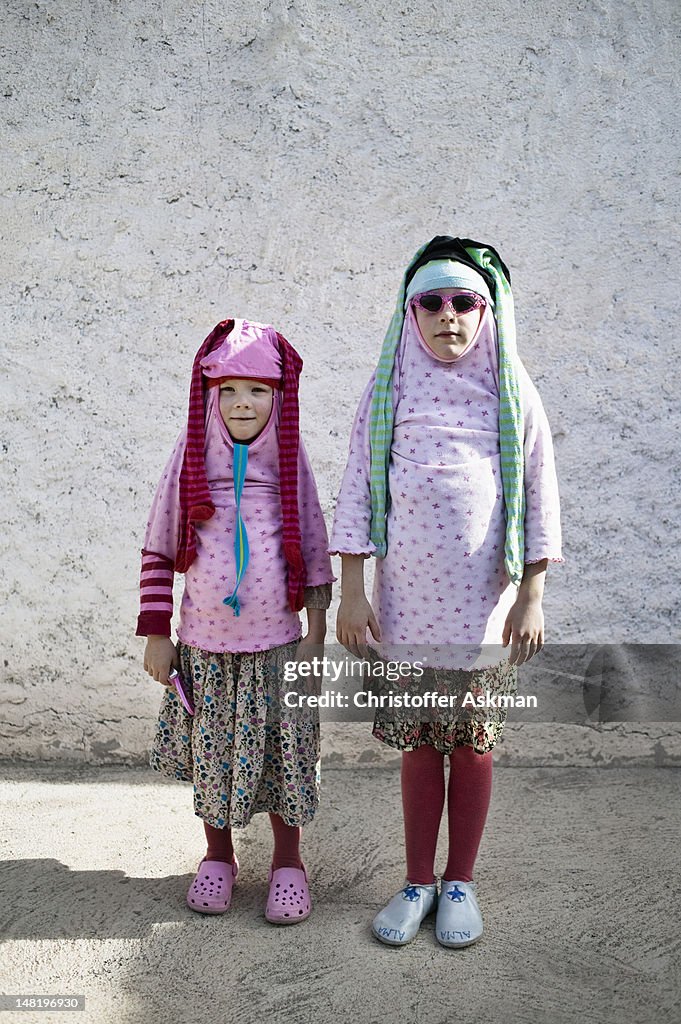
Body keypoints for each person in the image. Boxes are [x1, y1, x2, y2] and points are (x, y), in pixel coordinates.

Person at [330, 236, 562, 948]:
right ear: (409, 313)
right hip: (406, 610)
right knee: (419, 746)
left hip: (482, 611)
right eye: (429, 303)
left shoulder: (510, 388)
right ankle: (416, 881)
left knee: (471, 744)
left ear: (486, 312)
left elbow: (539, 488)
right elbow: (357, 489)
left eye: (465, 302)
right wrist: (351, 591)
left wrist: (531, 595)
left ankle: (459, 880)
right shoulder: (389, 387)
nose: (448, 316)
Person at [137, 317, 334, 922]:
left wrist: (317, 634)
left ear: (279, 397)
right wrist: (155, 634)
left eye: (257, 390)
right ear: (208, 395)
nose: (242, 403)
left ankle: (288, 864)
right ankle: (218, 857)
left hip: (278, 645)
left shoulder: (289, 461)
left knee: (282, 757)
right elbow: (160, 543)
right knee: (214, 755)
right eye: (228, 390)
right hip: (206, 648)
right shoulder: (191, 458)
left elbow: (317, 545)